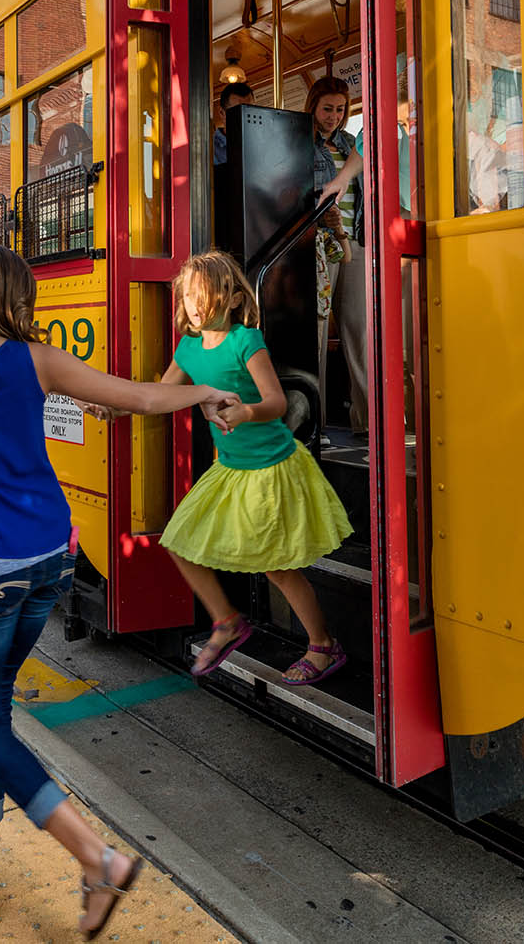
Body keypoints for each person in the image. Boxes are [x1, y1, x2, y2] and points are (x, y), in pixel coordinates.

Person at [0, 244, 238, 931]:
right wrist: (204, 391)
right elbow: (137, 395)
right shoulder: (33, 356)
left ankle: (96, 857)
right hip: (52, 561)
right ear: (9, 296)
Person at [157, 250, 352, 685]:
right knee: (178, 542)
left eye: (201, 295)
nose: (193, 305)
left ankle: (323, 645)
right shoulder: (188, 348)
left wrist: (245, 412)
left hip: (270, 467)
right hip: (231, 469)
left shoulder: (246, 341)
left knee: (276, 566)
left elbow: (278, 403)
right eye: (186, 297)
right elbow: (159, 394)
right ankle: (227, 621)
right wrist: (112, 409)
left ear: (228, 297)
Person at [306, 77, 367, 432]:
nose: (333, 116)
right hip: (320, 243)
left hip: (354, 241)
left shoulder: (350, 143)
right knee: (316, 329)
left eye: (340, 110)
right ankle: (317, 421)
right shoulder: (301, 142)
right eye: (327, 108)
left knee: (359, 327)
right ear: (313, 105)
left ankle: (367, 419)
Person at [212, 80, 253, 166]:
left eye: (250, 111)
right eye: (237, 111)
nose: (244, 117)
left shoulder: (259, 144)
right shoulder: (209, 150)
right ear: (222, 113)